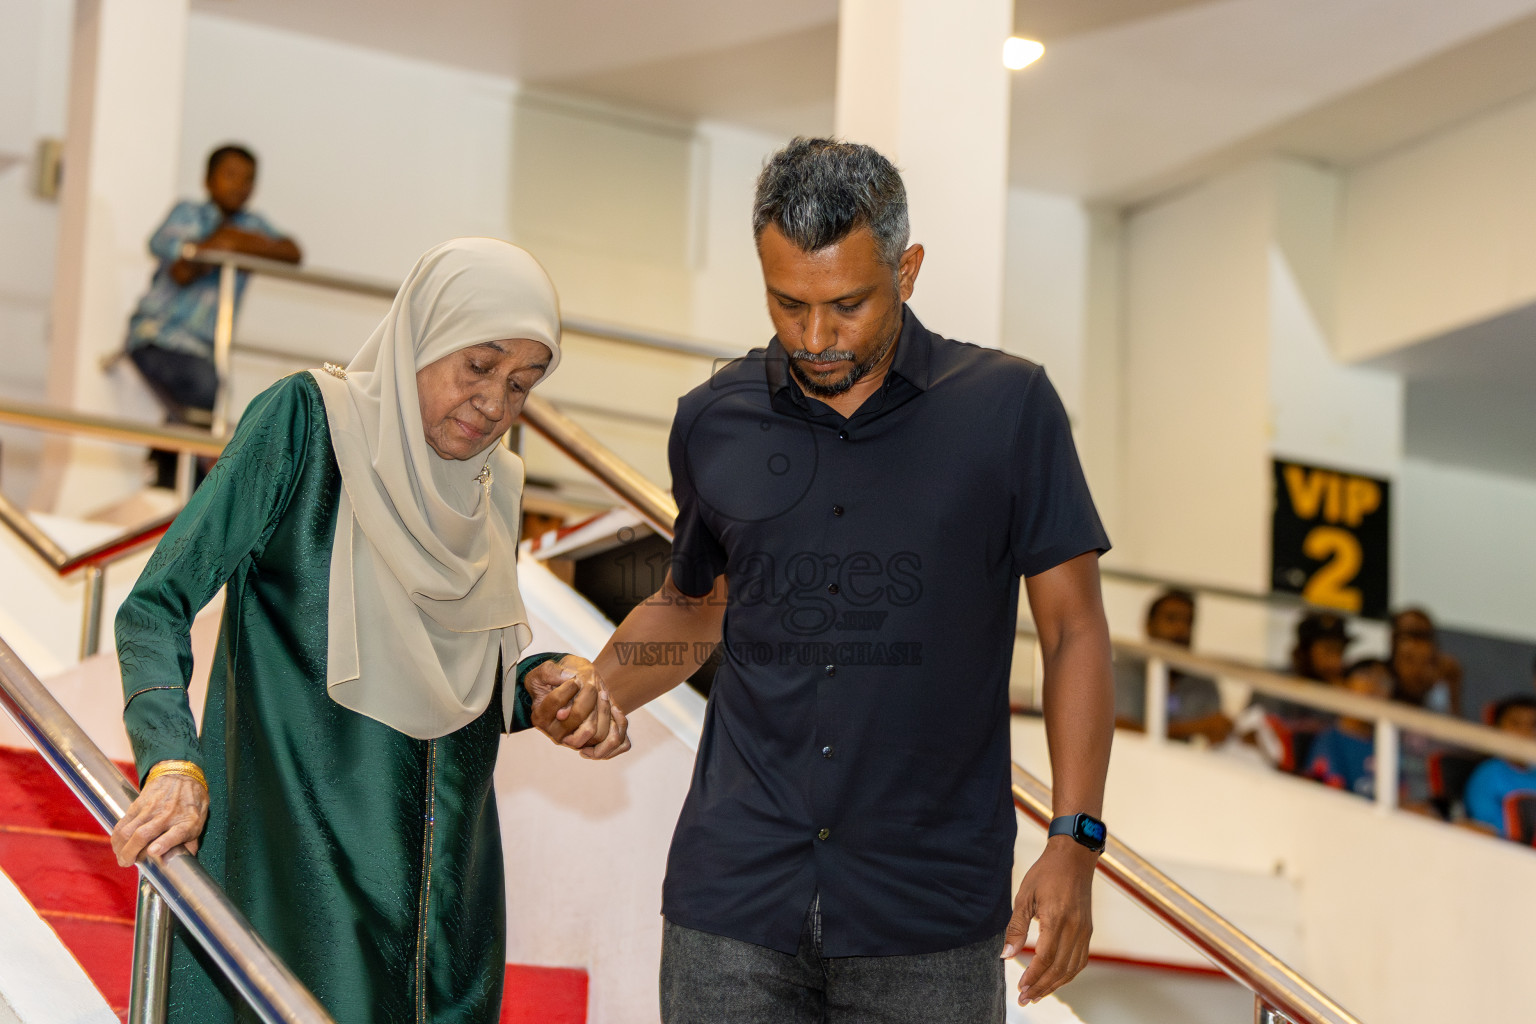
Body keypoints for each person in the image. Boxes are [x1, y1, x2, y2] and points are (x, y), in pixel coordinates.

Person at [597, 138, 1115, 1021]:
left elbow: (1073, 631)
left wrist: (1075, 837)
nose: (815, 336)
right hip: (733, 904)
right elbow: (697, 604)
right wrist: (599, 687)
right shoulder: (715, 417)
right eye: (787, 303)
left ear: (907, 269)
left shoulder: (1008, 408)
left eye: (846, 304)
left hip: (927, 915)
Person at [108, 238, 630, 1024]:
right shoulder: (306, 427)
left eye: (522, 385)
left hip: (448, 926)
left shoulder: (491, 488)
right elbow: (154, 605)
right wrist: (169, 757)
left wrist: (541, 683)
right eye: (478, 365)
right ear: (421, 335)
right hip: (302, 892)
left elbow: (451, 683)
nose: (496, 404)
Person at [126, 144, 303, 486]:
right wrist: (226, 245)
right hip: (159, 335)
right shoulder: (187, 213)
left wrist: (230, 242)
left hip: (202, 349)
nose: (240, 185)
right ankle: (185, 478)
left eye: (249, 179)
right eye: (231, 175)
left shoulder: (251, 225)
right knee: (204, 391)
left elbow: (291, 252)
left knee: (203, 398)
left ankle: (168, 471)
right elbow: (180, 268)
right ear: (208, 180)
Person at [1113, 589, 1232, 744]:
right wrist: (1194, 727)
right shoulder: (1123, 672)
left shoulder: (1203, 681)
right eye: (1171, 619)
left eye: (1188, 622)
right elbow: (1121, 731)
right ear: (1149, 625)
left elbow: (1216, 733)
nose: (1181, 629)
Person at [1304, 659, 1393, 797]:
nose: (1374, 686)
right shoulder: (1329, 742)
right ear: (1346, 687)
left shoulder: (1389, 744)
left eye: (1384, 681)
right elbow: (1331, 801)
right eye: (1365, 676)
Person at [1463, 695, 1536, 839]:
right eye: (1515, 723)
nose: (1524, 732)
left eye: (1534, 725)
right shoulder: (1486, 775)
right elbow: (1488, 832)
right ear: (1497, 729)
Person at [1388, 607, 1462, 716]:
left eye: (1423, 636)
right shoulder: (1378, 674)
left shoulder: (1445, 673)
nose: (1416, 644)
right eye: (1409, 634)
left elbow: (1454, 721)